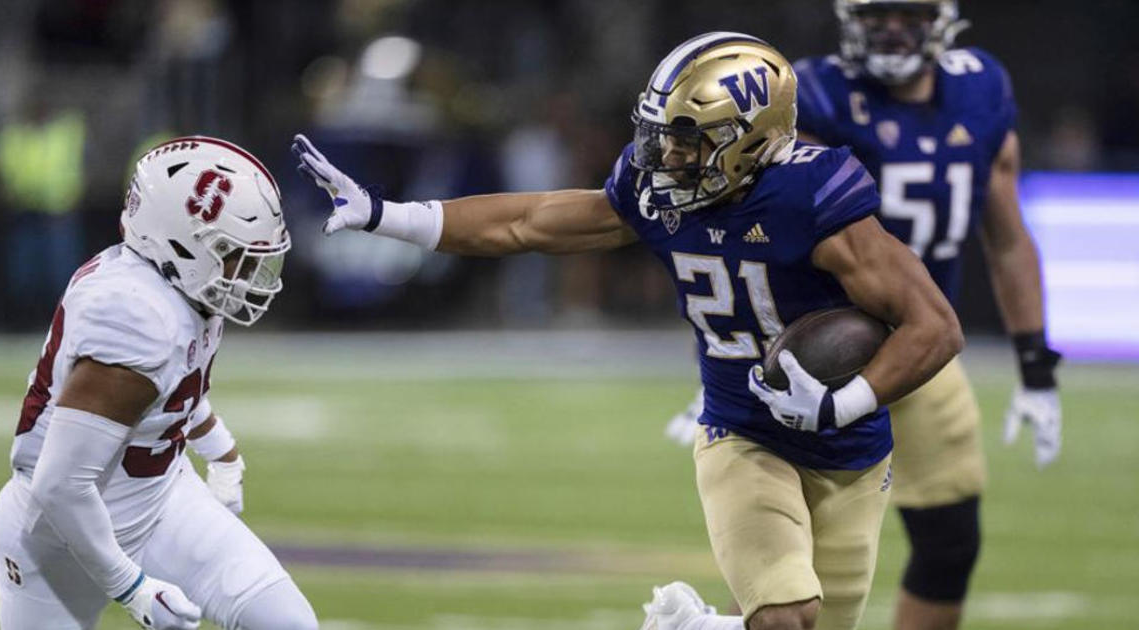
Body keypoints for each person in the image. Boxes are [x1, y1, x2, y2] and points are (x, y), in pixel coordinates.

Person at [296, 32, 963, 630]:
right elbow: (529, 223)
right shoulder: (655, 190)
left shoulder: (811, 199)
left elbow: (933, 327)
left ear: (751, 138)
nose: (668, 152)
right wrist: (393, 216)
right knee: (787, 615)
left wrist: (840, 402)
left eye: (690, 137)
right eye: (663, 132)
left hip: (852, 453)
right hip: (744, 433)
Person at [661, 4, 1063, 629]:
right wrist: (725, 363)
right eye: (878, 13)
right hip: (816, 351)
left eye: (912, 13)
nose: (893, 29)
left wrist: (1036, 364)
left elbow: (1006, 235)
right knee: (787, 569)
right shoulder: (807, 95)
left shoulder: (980, 88)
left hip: (920, 352)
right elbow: (735, 234)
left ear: (944, 18)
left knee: (951, 540)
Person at [0, 137, 318, 630]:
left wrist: (222, 451)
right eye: (232, 254)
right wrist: (134, 588)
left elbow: (170, 390)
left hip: (160, 501)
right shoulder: (134, 315)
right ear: (181, 244)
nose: (247, 272)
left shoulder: (179, 285)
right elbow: (59, 487)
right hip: (58, 540)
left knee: (287, 622)